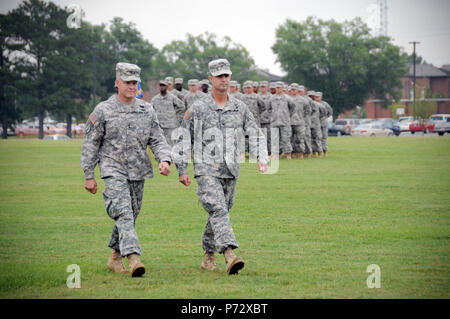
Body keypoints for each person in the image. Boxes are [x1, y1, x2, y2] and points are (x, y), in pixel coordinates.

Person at [174, 58, 268, 275]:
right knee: (217, 208)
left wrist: (261, 156)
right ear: (211, 79)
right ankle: (229, 253)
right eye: (219, 76)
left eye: (226, 75)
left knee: (220, 212)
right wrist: (181, 169)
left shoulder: (240, 107)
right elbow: (182, 138)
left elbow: (254, 133)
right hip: (206, 169)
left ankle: (208, 256)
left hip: (231, 169)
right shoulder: (198, 108)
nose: (224, 79)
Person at [81, 62, 172, 277]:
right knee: (123, 211)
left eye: (135, 82)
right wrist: (88, 175)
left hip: (139, 171)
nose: (131, 86)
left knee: (130, 215)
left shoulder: (146, 109)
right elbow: (90, 144)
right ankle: (133, 257)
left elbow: (157, 139)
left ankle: (114, 257)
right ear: (117, 83)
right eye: (127, 82)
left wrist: (165, 160)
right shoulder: (103, 110)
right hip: (113, 170)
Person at [150, 79, 186, 147]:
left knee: (172, 146)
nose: (162, 87)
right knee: (161, 145)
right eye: (161, 86)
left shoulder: (172, 97)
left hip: (171, 127)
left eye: (163, 86)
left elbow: (181, 107)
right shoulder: (155, 99)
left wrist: (178, 119)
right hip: (159, 127)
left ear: (166, 87)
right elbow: (151, 111)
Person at [267, 81, 295, 160]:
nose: (278, 89)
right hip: (274, 122)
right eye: (276, 88)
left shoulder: (287, 98)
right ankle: (276, 154)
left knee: (286, 138)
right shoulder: (272, 98)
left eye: (279, 88)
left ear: (282, 88)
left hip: (284, 122)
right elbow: (269, 109)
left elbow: (293, 108)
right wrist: (272, 116)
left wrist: (287, 116)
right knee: (275, 139)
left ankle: (288, 154)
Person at [289, 83, 307, 159]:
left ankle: (301, 153)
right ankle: (292, 153)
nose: (293, 91)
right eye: (292, 89)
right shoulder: (288, 99)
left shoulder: (303, 100)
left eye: (295, 89)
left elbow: (307, 110)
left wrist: (302, 117)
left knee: (300, 139)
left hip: (300, 122)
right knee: (290, 139)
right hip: (289, 122)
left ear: (297, 90)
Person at [315, 92, 333, 157]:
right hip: (316, 123)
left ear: (321, 97)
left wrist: (325, 117)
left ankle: (325, 152)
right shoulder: (313, 103)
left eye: (318, 97)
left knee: (324, 137)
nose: (317, 98)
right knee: (317, 138)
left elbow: (330, 112)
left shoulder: (325, 104)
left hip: (323, 123)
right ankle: (319, 152)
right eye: (316, 97)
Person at [308, 91, 323, 157]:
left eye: (312, 96)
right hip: (308, 123)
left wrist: (318, 118)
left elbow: (324, 112)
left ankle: (319, 152)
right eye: (309, 96)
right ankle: (311, 152)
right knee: (309, 138)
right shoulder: (306, 103)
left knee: (317, 138)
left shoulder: (318, 104)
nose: (310, 97)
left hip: (316, 123)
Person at [258, 81, 272, 154]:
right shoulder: (257, 96)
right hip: (258, 120)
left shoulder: (271, 97)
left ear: (267, 87)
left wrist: (270, 116)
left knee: (268, 137)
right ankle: (260, 152)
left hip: (267, 120)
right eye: (261, 87)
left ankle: (269, 152)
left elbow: (272, 108)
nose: (262, 88)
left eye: (264, 87)